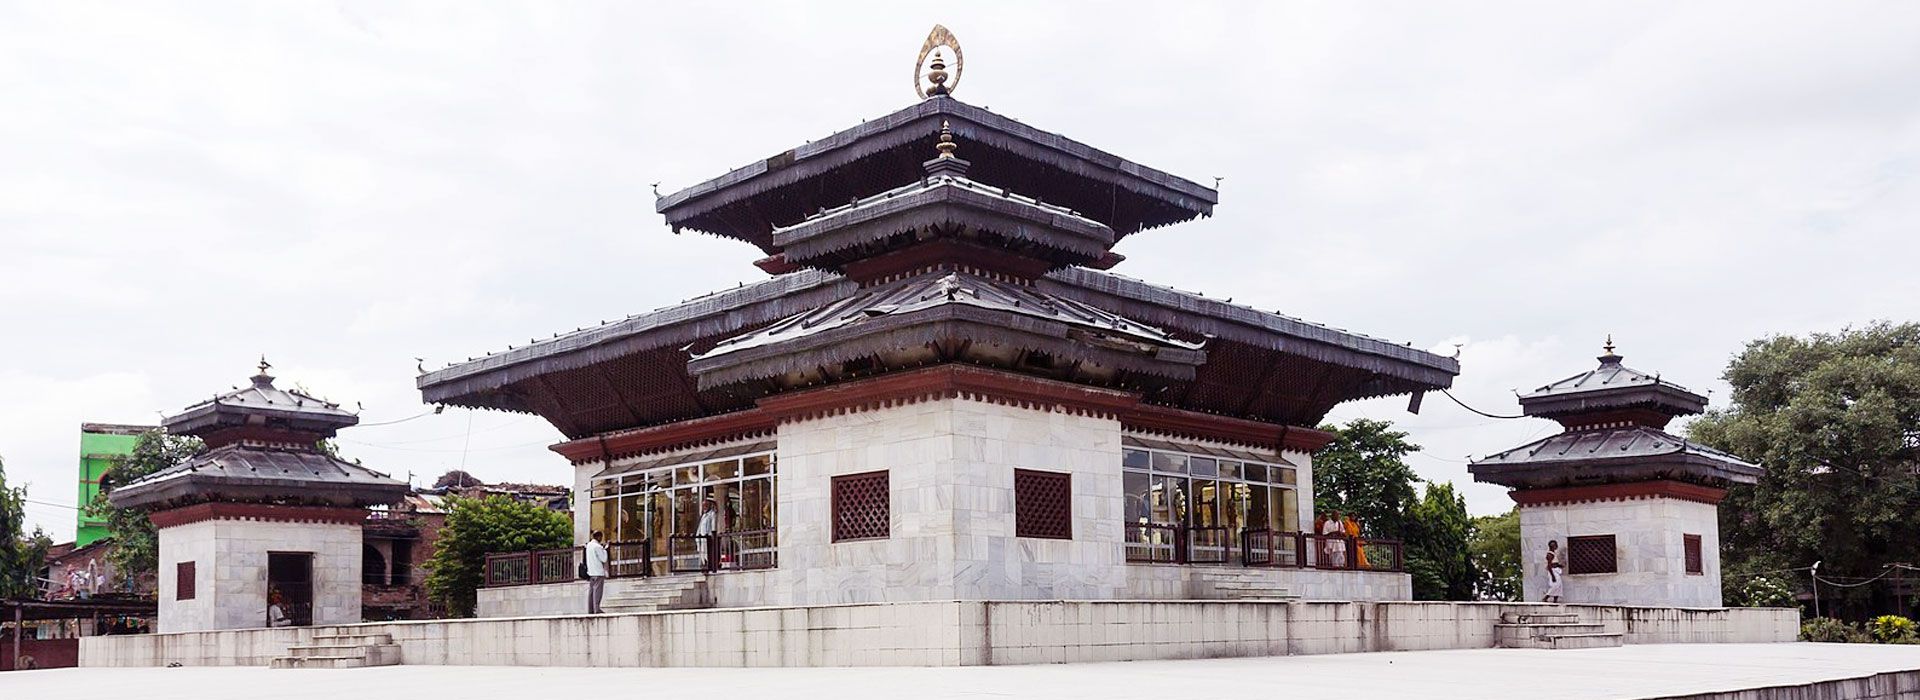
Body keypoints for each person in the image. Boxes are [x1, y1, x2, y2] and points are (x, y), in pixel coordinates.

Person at [584, 530, 609, 614]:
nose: (601, 539)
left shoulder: (589, 546)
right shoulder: (597, 547)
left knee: (591, 592)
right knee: (597, 591)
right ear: (598, 537)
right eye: (601, 537)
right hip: (598, 572)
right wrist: (605, 550)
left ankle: (590, 609)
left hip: (591, 572)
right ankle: (597, 609)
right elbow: (603, 559)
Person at [695, 500, 719, 570]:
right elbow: (700, 527)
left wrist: (712, 536)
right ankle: (704, 564)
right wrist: (697, 537)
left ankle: (709, 565)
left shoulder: (712, 514)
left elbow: (713, 527)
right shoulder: (703, 516)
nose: (704, 507)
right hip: (702, 539)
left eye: (706, 505)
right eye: (703, 505)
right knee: (703, 553)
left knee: (708, 553)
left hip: (708, 538)